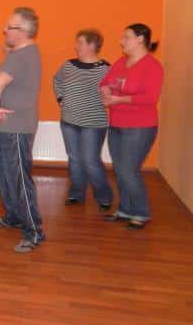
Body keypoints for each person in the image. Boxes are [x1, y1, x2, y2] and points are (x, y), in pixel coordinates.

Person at [0, 7, 45, 253]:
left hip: (16, 128)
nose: (4, 30)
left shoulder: (20, 56)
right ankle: (12, 216)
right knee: (6, 175)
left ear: (22, 31)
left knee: (20, 179)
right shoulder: (24, 52)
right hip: (8, 127)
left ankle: (34, 232)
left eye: (9, 27)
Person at [100, 23, 163, 230]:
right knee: (120, 170)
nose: (121, 41)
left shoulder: (152, 66)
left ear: (140, 39)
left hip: (140, 127)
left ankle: (141, 212)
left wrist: (119, 99)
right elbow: (106, 81)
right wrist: (105, 90)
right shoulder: (121, 62)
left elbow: (150, 98)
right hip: (116, 123)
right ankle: (125, 209)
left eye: (126, 37)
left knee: (129, 171)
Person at [53, 29, 112, 209]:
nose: (76, 46)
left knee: (90, 160)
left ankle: (104, 196)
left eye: (80, 43)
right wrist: (60, 98)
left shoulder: (105, 68)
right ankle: (76, 193)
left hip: (93, 124)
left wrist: (108, 96)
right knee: (74, 159)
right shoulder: (68, 65)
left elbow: (112, 92)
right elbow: (57, 80)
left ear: (92, 45)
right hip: (69, 121)